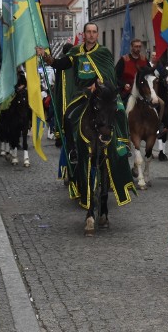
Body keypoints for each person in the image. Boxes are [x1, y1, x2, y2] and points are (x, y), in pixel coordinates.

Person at [36, 22, 135, 209]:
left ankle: (122, 144)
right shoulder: (76, 52)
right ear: (84, 35)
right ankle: (73, 150)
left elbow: (109, 75)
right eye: (88, 32)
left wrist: (99, 84)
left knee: (119, 112)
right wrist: (45, 57)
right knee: (68, 116)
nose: (91, 35)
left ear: (97, 34)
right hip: (83, 94)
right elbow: (61, 64)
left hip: (101, 93)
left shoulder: (103, 53)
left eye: (94, 32)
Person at [115, 38, 149, 105]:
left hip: (143, 92)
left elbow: (150, 74)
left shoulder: (144, 60)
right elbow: (115, 76)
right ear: (131, 47)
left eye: (139, 46)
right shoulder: (124, 60)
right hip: (127, 92)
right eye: (136, 46)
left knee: (160, 104)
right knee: (119, 108)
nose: (138, 48)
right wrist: (123, 85)